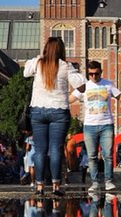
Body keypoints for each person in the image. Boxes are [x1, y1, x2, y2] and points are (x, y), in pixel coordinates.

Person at [24, 37, 85, 196]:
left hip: (38, 111)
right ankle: (56, 186)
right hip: (58, 111)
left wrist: (38, 57)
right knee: (56, 149)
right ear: (61, 50)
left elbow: (25, 72)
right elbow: (81, 86)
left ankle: (39, 187)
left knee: (39, 151)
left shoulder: (38, 63)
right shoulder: (66, 66)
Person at [73, 59, 121, 194]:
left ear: (101, 72)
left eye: (96, 74)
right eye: (91, 74)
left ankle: (109, 181)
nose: (93, 77)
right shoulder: (84, 86)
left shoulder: (108, 85)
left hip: (106, 125)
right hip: (89, 125)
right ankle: (94, 182)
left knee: (108, 155)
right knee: (92, 156)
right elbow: (70, 98)